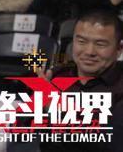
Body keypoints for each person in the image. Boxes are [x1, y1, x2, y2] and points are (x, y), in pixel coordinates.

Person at [39, 9, 122, 152]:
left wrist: (56, 111)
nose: (89, 52)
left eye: (100, 44)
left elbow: (110, 144)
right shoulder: (56, 76)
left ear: (119, 49)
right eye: (81, 42)